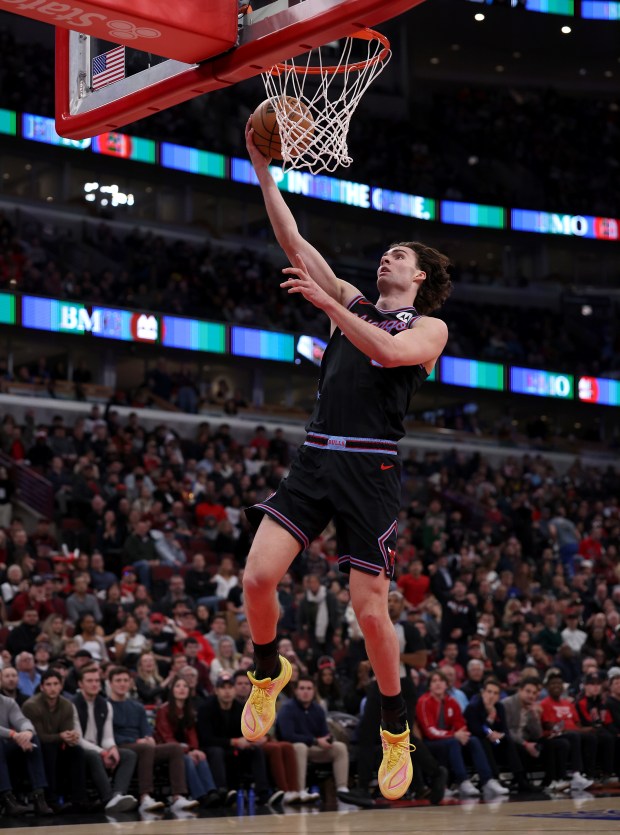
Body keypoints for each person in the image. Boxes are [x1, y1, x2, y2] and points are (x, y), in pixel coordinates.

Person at [240, 119, 452, 802]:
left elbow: (387, 354)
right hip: (318, 456)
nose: (385, 260)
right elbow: (294, 241)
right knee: (255, 580)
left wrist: (331, 304)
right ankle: (266, 670)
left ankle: (395, 727)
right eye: (384, 253)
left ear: (419, 276)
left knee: (368, 612)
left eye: (398, 255)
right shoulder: (353, 304)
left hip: (371, 468)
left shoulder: (427, 327)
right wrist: (262, 167)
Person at [107, 665, 198, 814]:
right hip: (120, 746)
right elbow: (108, 734)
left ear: (130, 683)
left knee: (175, 748)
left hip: (142, 746)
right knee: (146, 748)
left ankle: (178, 797)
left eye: (125, 680)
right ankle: (145, 797)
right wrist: (137, 741)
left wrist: (148, 738)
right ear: (110, 683)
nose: (122, 684)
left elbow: (147, 730)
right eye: (118, 680)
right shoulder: (107, 705)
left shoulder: (137, 707)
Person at [416, 670, 504, 798]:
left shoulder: (451, 702)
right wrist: (454, 735)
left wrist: (462, 735)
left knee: (473, 740)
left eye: (441, 681)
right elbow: (430, 731)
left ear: (446, 685)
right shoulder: (423, 701)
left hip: (448, 739)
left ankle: (487, 780)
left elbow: (461, 724)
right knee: (453, 742)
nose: (438, 684)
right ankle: (462, 781)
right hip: (429, 743)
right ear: (429, 686)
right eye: (434, 681)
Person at [73, 665, 138, 812]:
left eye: (97, 681)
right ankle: (108, 798)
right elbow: (78, 740)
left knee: (128, 755)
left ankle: (118, 794)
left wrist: (112, 748)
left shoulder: (105, 704)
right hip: (79, 751)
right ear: (80, 684)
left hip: (99, 748)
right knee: (93, 755)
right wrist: (103, 752)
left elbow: (107, 737)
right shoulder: (73, 704)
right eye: (89, 681)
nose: (95, 684)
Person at [22, 668, 87, 812]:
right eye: (49, 684)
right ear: (42, 687)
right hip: (35, 747)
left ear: (61, 686)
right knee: (48, 749)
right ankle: (51, 800)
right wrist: (61, 737)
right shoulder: (31, 706)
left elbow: (67, 731)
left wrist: (72, 737)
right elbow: (38, 736)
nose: (52, 688)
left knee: (77, 750)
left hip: (57, 745)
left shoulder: (67, 705)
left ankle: (79, 800)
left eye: (56, 684)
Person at [276, 676, 350, 800]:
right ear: (296, 691)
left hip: (313, 748)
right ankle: (300, 790)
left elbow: (323, 733)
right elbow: (287, 736)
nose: (306, 691)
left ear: (314, 691)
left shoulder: (318, 709)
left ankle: (342, 789)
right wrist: (315, 741)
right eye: (302, 688)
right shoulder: (287, 709)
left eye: (309, 688)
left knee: (339, 747)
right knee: (301, 747)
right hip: (291, 749)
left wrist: (328, 739)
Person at [154, 676, 220, 808]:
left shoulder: (189, 710)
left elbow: (192, 735)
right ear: (172, 690)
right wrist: (187, 751)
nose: (182, 689)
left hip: (184, 749)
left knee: (200, 756)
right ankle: (199, 795)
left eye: (185, 686)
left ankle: (211, 792)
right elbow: (167, 737)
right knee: (187, 759)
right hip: (167, 749)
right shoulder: (163, 710)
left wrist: (194, 750)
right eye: (178, 686)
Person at [464, 677, 535, 793]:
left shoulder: (500, 707)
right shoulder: (473, 708)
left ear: (498, 696)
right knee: (484, 741)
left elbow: (505, 730)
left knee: (512, 744)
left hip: (495, 743)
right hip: (477, 746)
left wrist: (500, 735)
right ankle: (494, 779)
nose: (491, 696)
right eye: (489, 692)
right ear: (483, 693)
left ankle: (520, 780)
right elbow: (476, 731)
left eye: (495, 693)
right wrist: (490, 722)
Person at [0, 692, 52, 816]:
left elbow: (21, 720)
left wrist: (27, 732)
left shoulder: (8, 702)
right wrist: (13, 734)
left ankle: (39, 797)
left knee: (32, 739)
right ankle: (7, 800)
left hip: (5, 749)